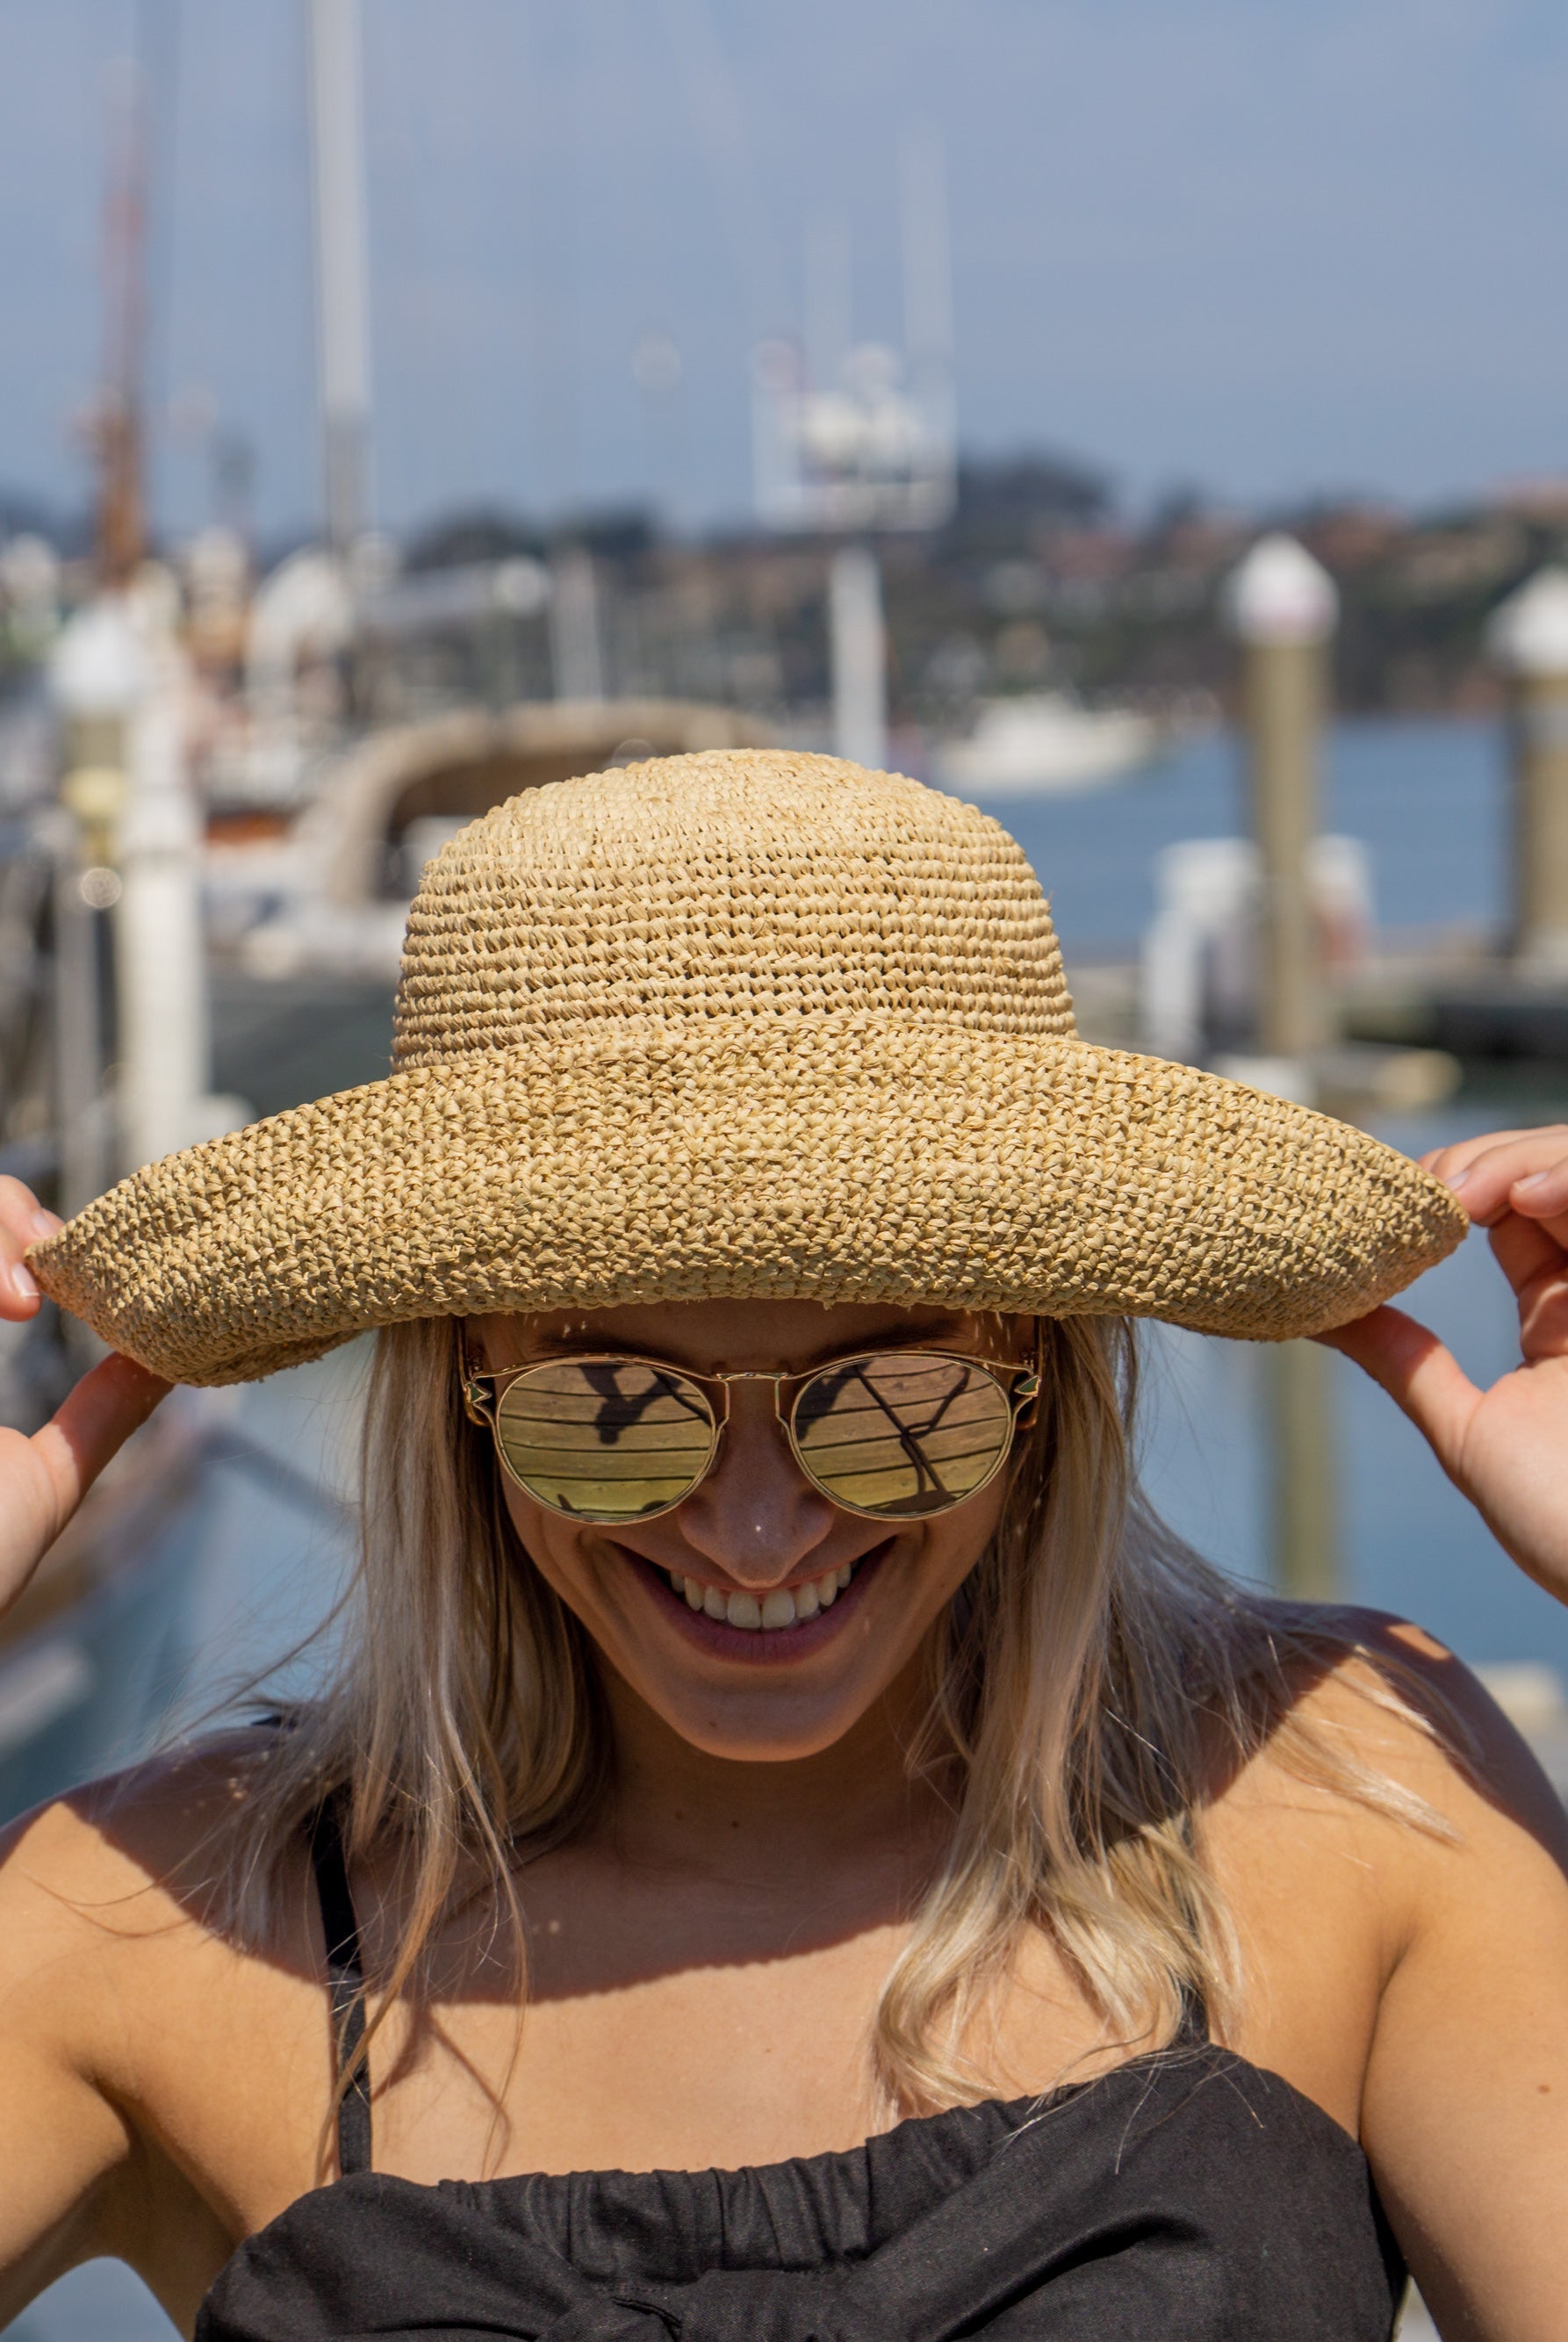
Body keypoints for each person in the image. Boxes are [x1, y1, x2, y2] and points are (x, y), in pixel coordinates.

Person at [0, 748, 1565, 2342]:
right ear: (463, 1375)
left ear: (1040, 1370)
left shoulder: (1364, 1803)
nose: (756, 1535)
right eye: (614, 1407)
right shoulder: (150, 1928)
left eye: (895, 1400)